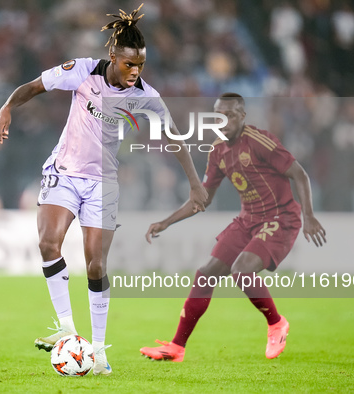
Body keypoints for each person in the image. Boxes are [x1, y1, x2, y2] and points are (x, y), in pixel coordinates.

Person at [0, 4, 208, 375]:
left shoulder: (145, 95)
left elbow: (173, 136)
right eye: (129, 64)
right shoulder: (81, 71)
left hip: (103, 184)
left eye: (140, 65)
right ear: (113, 57)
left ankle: (98, 350)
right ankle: (65, 326)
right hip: (64, 170)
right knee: (48, 243)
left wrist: (194, 182)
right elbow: (34, 86)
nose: (135, 71)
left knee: (96, 264)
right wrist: (7, 107)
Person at [140, 93, 327, 361]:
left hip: (280, 218)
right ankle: (177, 347)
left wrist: (308, 215)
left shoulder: (260, 141)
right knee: (205, 274)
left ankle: (276, 324)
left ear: (242, 116)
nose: (222, 121)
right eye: (218, 115)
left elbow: (300, 174)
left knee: (241, 270)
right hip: (248, 220)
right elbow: (202, 198)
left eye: (228, 115)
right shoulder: (217, 150)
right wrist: (166, 222)